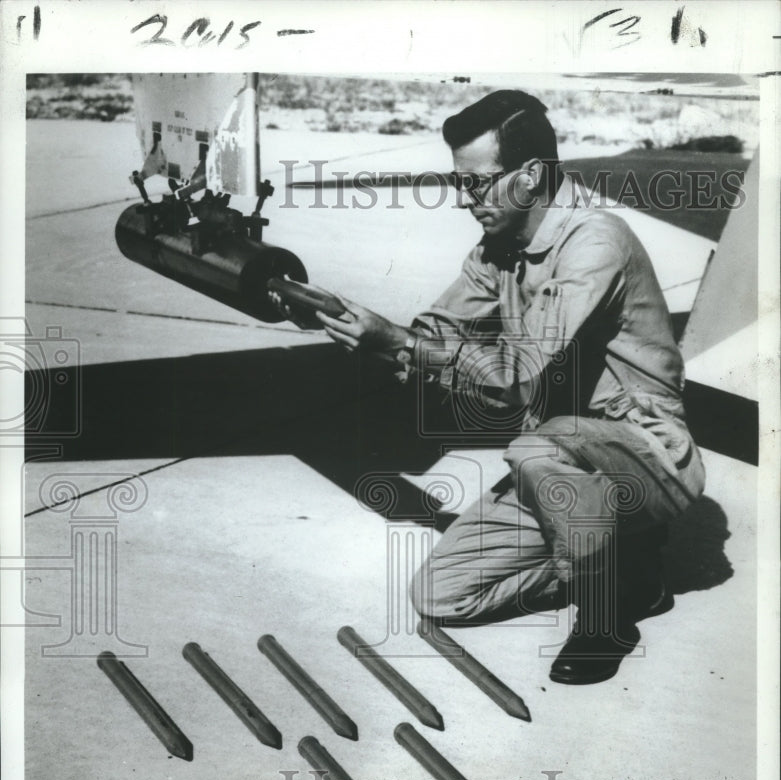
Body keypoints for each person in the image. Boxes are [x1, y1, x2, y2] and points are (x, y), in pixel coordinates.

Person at [274, 90, 706, 684]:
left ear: (529, 176)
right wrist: (343, 322)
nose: (464, 199)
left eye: (477, 183)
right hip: (562, 467)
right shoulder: (498, 249)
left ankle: (608, 612)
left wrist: (400, 344)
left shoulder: (594, 242)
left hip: (645, 454)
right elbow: (430, 335)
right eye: (459, 183)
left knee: (535, 446)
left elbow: (511, 384)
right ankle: (623, 566)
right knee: (442, 595)